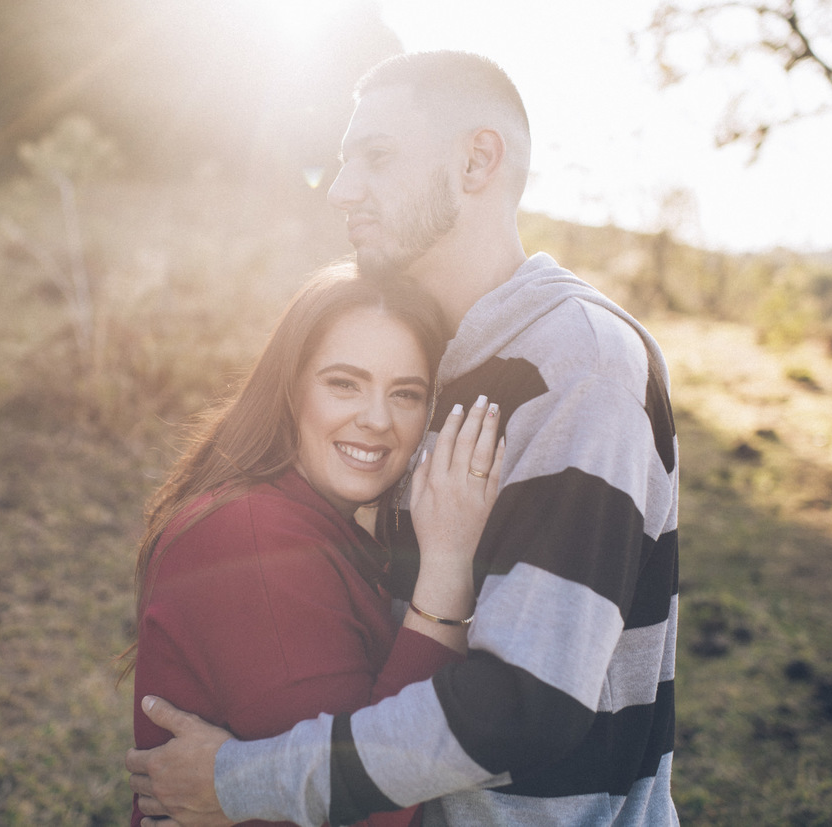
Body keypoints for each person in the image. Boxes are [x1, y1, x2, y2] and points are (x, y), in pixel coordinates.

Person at [128, 50, 680, 826]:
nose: (340, 188)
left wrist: (240, 780)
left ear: (477, 159)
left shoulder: (580, 362)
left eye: (376, 157)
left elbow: (527, 703)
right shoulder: (429, 357)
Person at [126, 262, 507, 827]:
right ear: (291, 388)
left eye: (406, 394)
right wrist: (448, 568)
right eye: (344, 384)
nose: (377, 419)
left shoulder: (305, 521)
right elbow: (367, 814)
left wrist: (237, 788)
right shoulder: (254, 538)